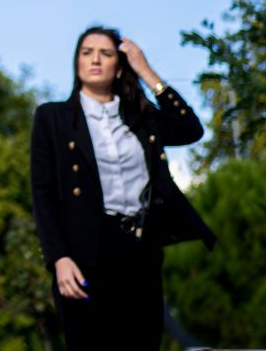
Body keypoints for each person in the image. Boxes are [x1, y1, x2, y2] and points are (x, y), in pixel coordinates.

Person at [30, 25, 214, 350]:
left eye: (106, 53)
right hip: (85, 253)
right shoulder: (53, 118)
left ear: (119, 65)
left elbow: (190, 129)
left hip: (139, 249)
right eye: (87, 53)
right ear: (77, 62)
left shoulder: (142, 118)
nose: (95, 60)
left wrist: (146, 71)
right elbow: (43, 193)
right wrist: (58, 257)